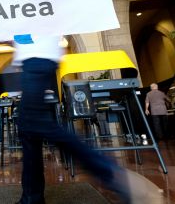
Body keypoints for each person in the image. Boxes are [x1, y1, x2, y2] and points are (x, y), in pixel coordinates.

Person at [13, 35, 131, 204]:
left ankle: (109, 171)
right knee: (28, 132)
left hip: (37, 57)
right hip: (35, 59)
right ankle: (32, 198)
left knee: (36, 125)